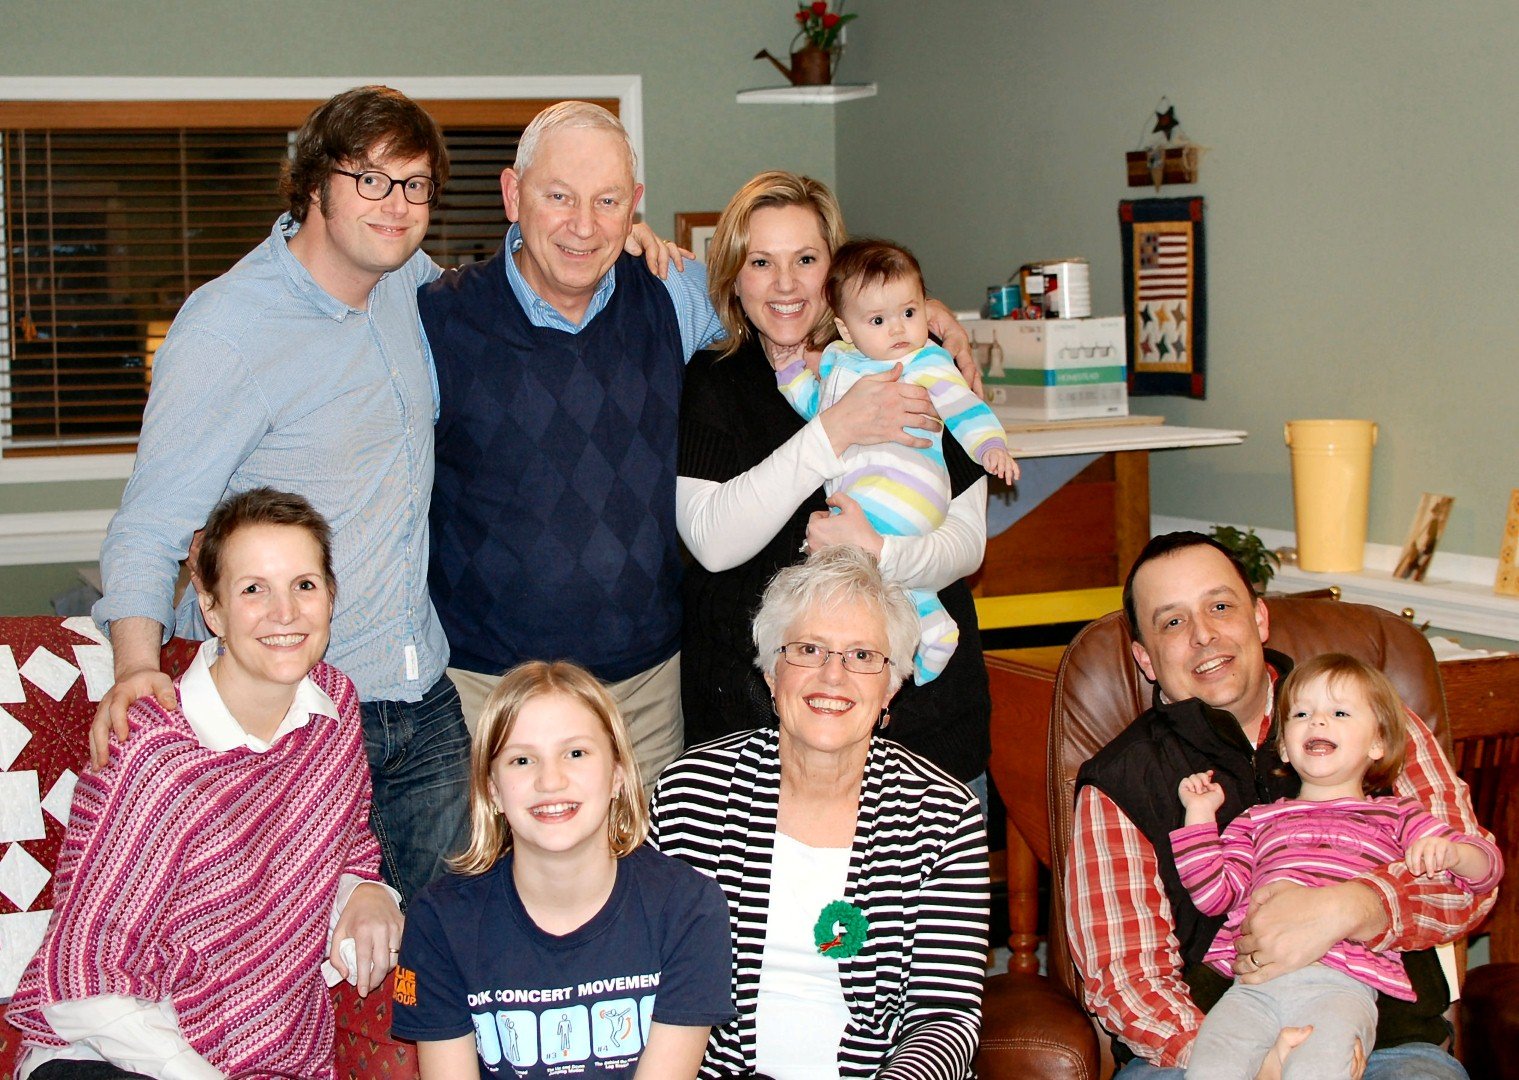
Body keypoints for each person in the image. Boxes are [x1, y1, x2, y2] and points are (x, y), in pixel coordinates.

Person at [89, 85, 470, 902]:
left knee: (440, 960)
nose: (395, 204)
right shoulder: (227, 328)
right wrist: (134, 667)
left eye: (413, 184)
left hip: (424, 698)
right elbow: (151, 524)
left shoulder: (409, 284)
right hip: (296, 712)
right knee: (286, 958)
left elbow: (520, 288)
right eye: (368, 178)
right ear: (312, 187)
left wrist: (627, 243)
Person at [1066, 531, 1497, 1079]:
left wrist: (1358, 906)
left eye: (1221, 606)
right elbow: (1126, 973)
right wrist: (1246, 1063)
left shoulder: (1369, 721)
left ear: (1260, 620)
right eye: (1172, 622)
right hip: (1203, 1043)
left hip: (1385, 1042)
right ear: (1145, 658)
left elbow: (1468, 882)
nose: (1203, 635)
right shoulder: (1119, 782)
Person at [8, 488, 402, 1080]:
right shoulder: (154, 748)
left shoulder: (335, 708)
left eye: (304, 584)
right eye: (253, 590)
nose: (285, 613)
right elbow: (82, 972)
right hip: (111, 1047)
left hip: (268, 1051)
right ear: (211, 609)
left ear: (330, 597)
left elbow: (344, 845)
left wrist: (369, 891)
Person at [420, 100, 728, 784]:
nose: (584, 226)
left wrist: (925, 331)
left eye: (607, 200)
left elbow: (793, 307)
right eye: (558, 196)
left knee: (641, 885)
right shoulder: (436, 318)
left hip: (643, 694)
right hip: (486, 693)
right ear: (512, 194)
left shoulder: (674, 295)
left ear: (635, 206)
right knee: (494, 885)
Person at [678, 171, 993, 801]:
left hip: (920, 731)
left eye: (806, 259)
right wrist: (831, 433)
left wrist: (884, 553)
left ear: (838, 270)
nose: (786, 284)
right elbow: (712, 542)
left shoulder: (915, 361)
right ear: (735, 277)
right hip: (757, 739)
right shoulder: (713, 381)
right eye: (761, 262)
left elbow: (968, 543)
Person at [651, 546, 989, 1078]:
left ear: (891, 686)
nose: (832, 677)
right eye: (808, 649)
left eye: (861, 656)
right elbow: (649, 979)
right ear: (770, 673)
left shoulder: (944, 816)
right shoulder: (691, 794)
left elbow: (943, 1019)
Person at [390, 660, 733, 1078]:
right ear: (493, 790)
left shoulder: (689, 908)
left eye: (575, 753)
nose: (550, 781)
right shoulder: (440, 920)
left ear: (618, 775)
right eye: (521, 760)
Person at [1173, 653, 1501, 1079]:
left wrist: (1454, 853)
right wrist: (1199, 817)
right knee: (1210, 1068)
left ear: (1377, 744)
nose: (1318, 722)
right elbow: (1214, 895)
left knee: (1319, 1070)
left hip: (1341, 988)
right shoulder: (1256, 821)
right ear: (1286, 747)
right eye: (1302, 713)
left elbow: (1484, 874)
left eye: (1339, 712)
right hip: (1251, 987)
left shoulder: (1398, 816)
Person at [775, 238, 1017, 684]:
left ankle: (917, 633)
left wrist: (990, 447)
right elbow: (819, 411)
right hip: (873, 498)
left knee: (837, 571)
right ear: (847, 330)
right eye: (879, 320)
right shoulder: (840, 364)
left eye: (909, 313)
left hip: (904, 491)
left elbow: (964, 407)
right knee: (880, 582)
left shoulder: (926, 361)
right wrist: (792, 378)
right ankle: (934, 624)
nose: (899, 330)